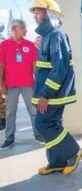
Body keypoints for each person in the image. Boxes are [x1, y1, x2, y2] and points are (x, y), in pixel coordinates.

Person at [30, 0, 82, 175]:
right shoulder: (47, 37)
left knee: (43, 124)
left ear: (48, 13)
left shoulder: (56, 35)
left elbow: (59, 69)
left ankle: (73, 151)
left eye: (38, 12)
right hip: (50, 93)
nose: (35, 16)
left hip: (53, 94)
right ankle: (57, 162)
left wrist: (45, 94)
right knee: (53, 123)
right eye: (35, 12)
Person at [0, 19, 43, 150]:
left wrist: (40, 84)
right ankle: (9, 138)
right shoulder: (4, 45)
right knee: (10, 113)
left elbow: (35, 66)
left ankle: (38, 134)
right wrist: (1, 83)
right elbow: (1, 66)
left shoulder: (30, 46)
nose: (26, 30)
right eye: (23, 27)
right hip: (10, 85)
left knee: (33, 111)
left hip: (28, 84)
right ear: (14, 29)